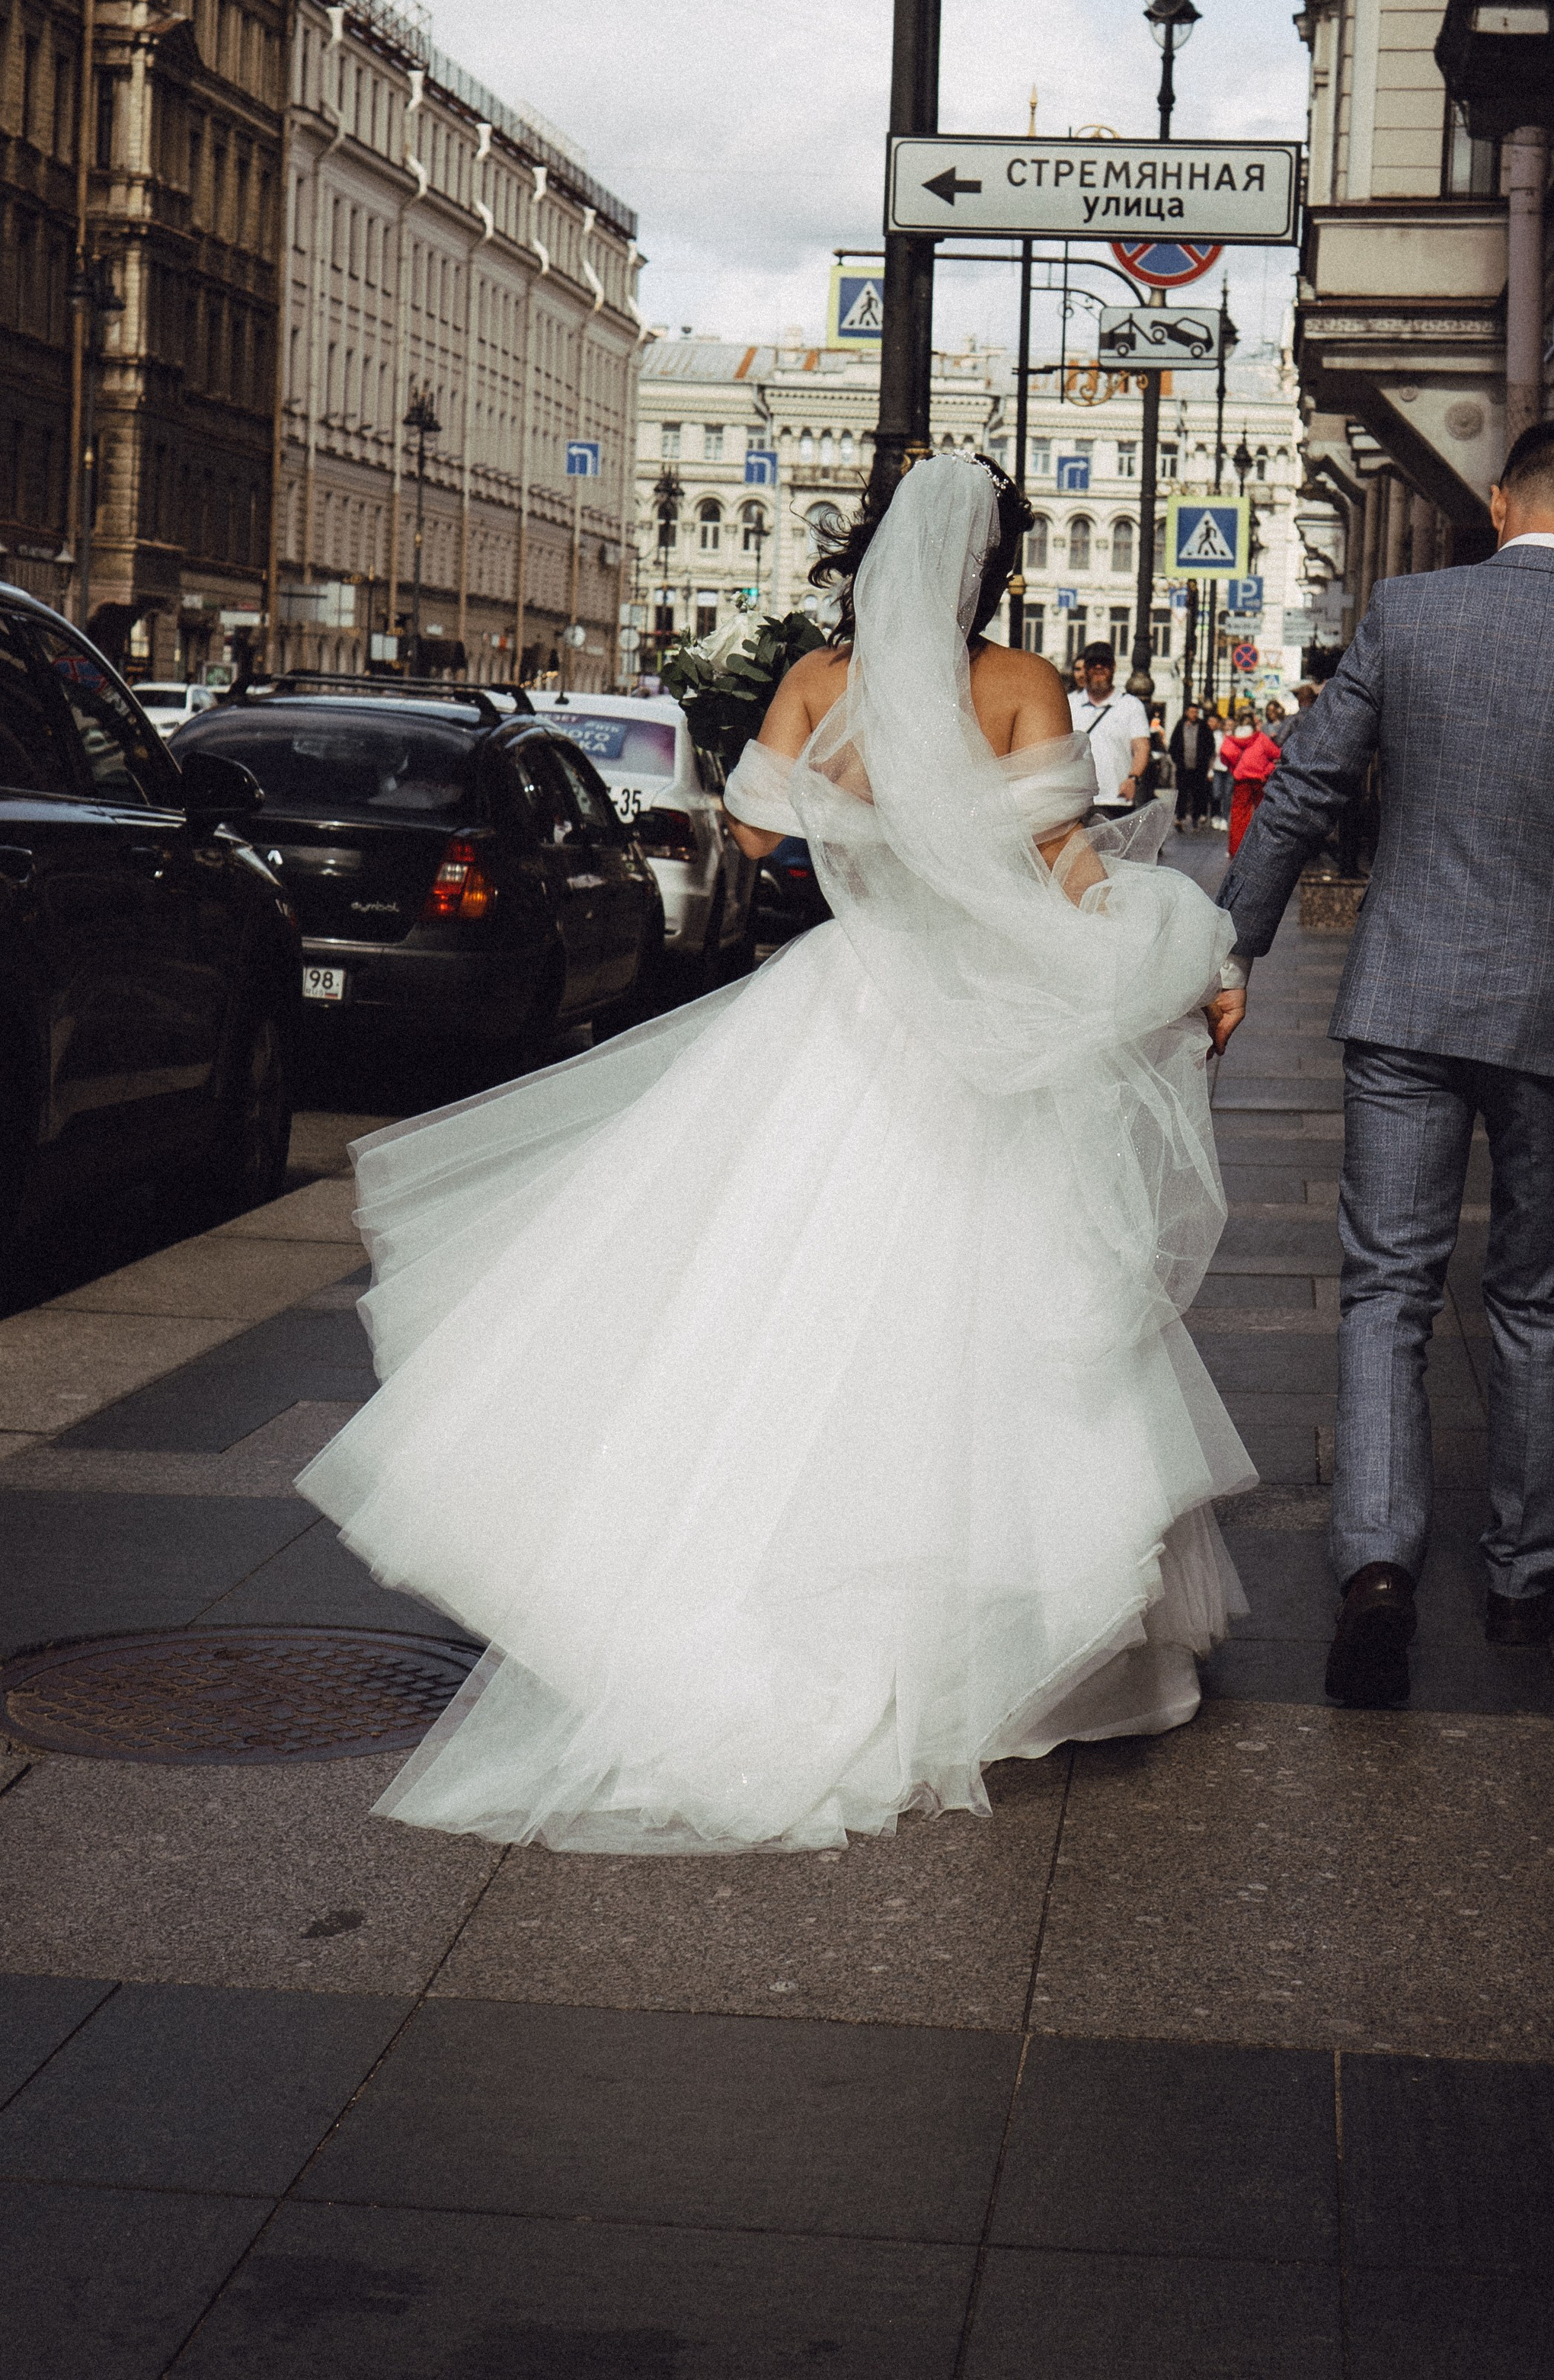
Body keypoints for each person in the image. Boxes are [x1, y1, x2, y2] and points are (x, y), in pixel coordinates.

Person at [297, 453, 1254, 1856]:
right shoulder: (1017, 687)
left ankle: (758, 1595)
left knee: (778, 1292)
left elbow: (751, 834)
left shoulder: (819, 681)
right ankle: (994, 1641)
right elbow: (1067, 862)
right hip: (977, 1013)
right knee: (989, 1308)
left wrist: (856, 799)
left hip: (848, 1003)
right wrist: (1175, 950)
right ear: (993, 571)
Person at [1218, 421, 1554, 1707]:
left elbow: (1301, 789)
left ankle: (1378, 1570)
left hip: (1405, 1002)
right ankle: (1522, 1579)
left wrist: (1228, 951)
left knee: (1387, 1290)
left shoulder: (1409, 613)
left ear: (1502, 503)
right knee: (1538, 1299)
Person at [1067, 641, 1152, 814]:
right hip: (1077, 801)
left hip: (1118, 799)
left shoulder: (1130, 705)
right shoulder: (1069, 703)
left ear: (1113, 667)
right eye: (1093, 664)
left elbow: (1141, 747)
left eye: (1104, 663)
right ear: (1085, 669)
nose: (1099, 668)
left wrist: (1133, 778)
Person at [1218, 707, 1281, 856]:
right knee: (1262, 812)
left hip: (1241, 781)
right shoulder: (1260, 738)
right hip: (1260, 780)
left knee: (1239, 814)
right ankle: (1262, 847)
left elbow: (1225, 756)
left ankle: (1236, 848)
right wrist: (1268, 768)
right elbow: (1276, 754)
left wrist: (1235, 769)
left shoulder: (1231, 739)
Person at [1170, 699, 1215, 829]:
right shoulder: (1180, 726)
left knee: (1198, 793)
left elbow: (1210, 745)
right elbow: (1174, 745)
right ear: (1187, 712)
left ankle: (1195, 818)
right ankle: (1180, 817)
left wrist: (1205, 761)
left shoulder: (1203, 726)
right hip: (1183, 766)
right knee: (1182, 793)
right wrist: (1177, 760)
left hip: (1199, 768)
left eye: (1196, 712)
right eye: (1191, 711)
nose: (1194, 714)